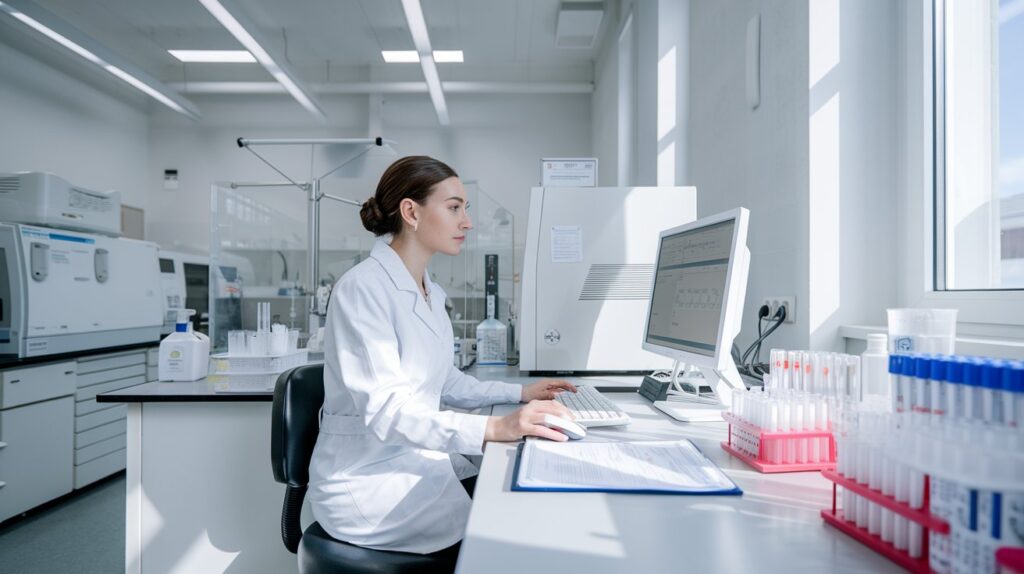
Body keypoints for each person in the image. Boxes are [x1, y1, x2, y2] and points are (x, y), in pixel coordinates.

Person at [307, 156, 578, 560]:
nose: (466, 222)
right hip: (369, 483)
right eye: (454, 208)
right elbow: (387, 414)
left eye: (465, 209)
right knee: (510, 534)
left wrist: (519, 394)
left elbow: (445, 380)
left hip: (411, 461)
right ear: (411, 212)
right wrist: (496, 426)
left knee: (518, 500)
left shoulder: (426, 288)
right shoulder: (363, 289)